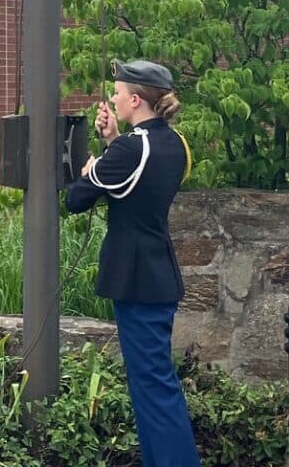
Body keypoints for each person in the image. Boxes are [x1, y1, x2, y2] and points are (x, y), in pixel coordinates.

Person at [65, 58, 199, 467]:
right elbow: (136, 185)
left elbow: (76, 199)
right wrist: (112, 143)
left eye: (118, 93)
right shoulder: (174, 143)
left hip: (138, 280)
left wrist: (91, 168)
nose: (112, 99)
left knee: (153, 388)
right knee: (153, 384)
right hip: (158, 274)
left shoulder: (130, 149)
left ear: (136, 99)